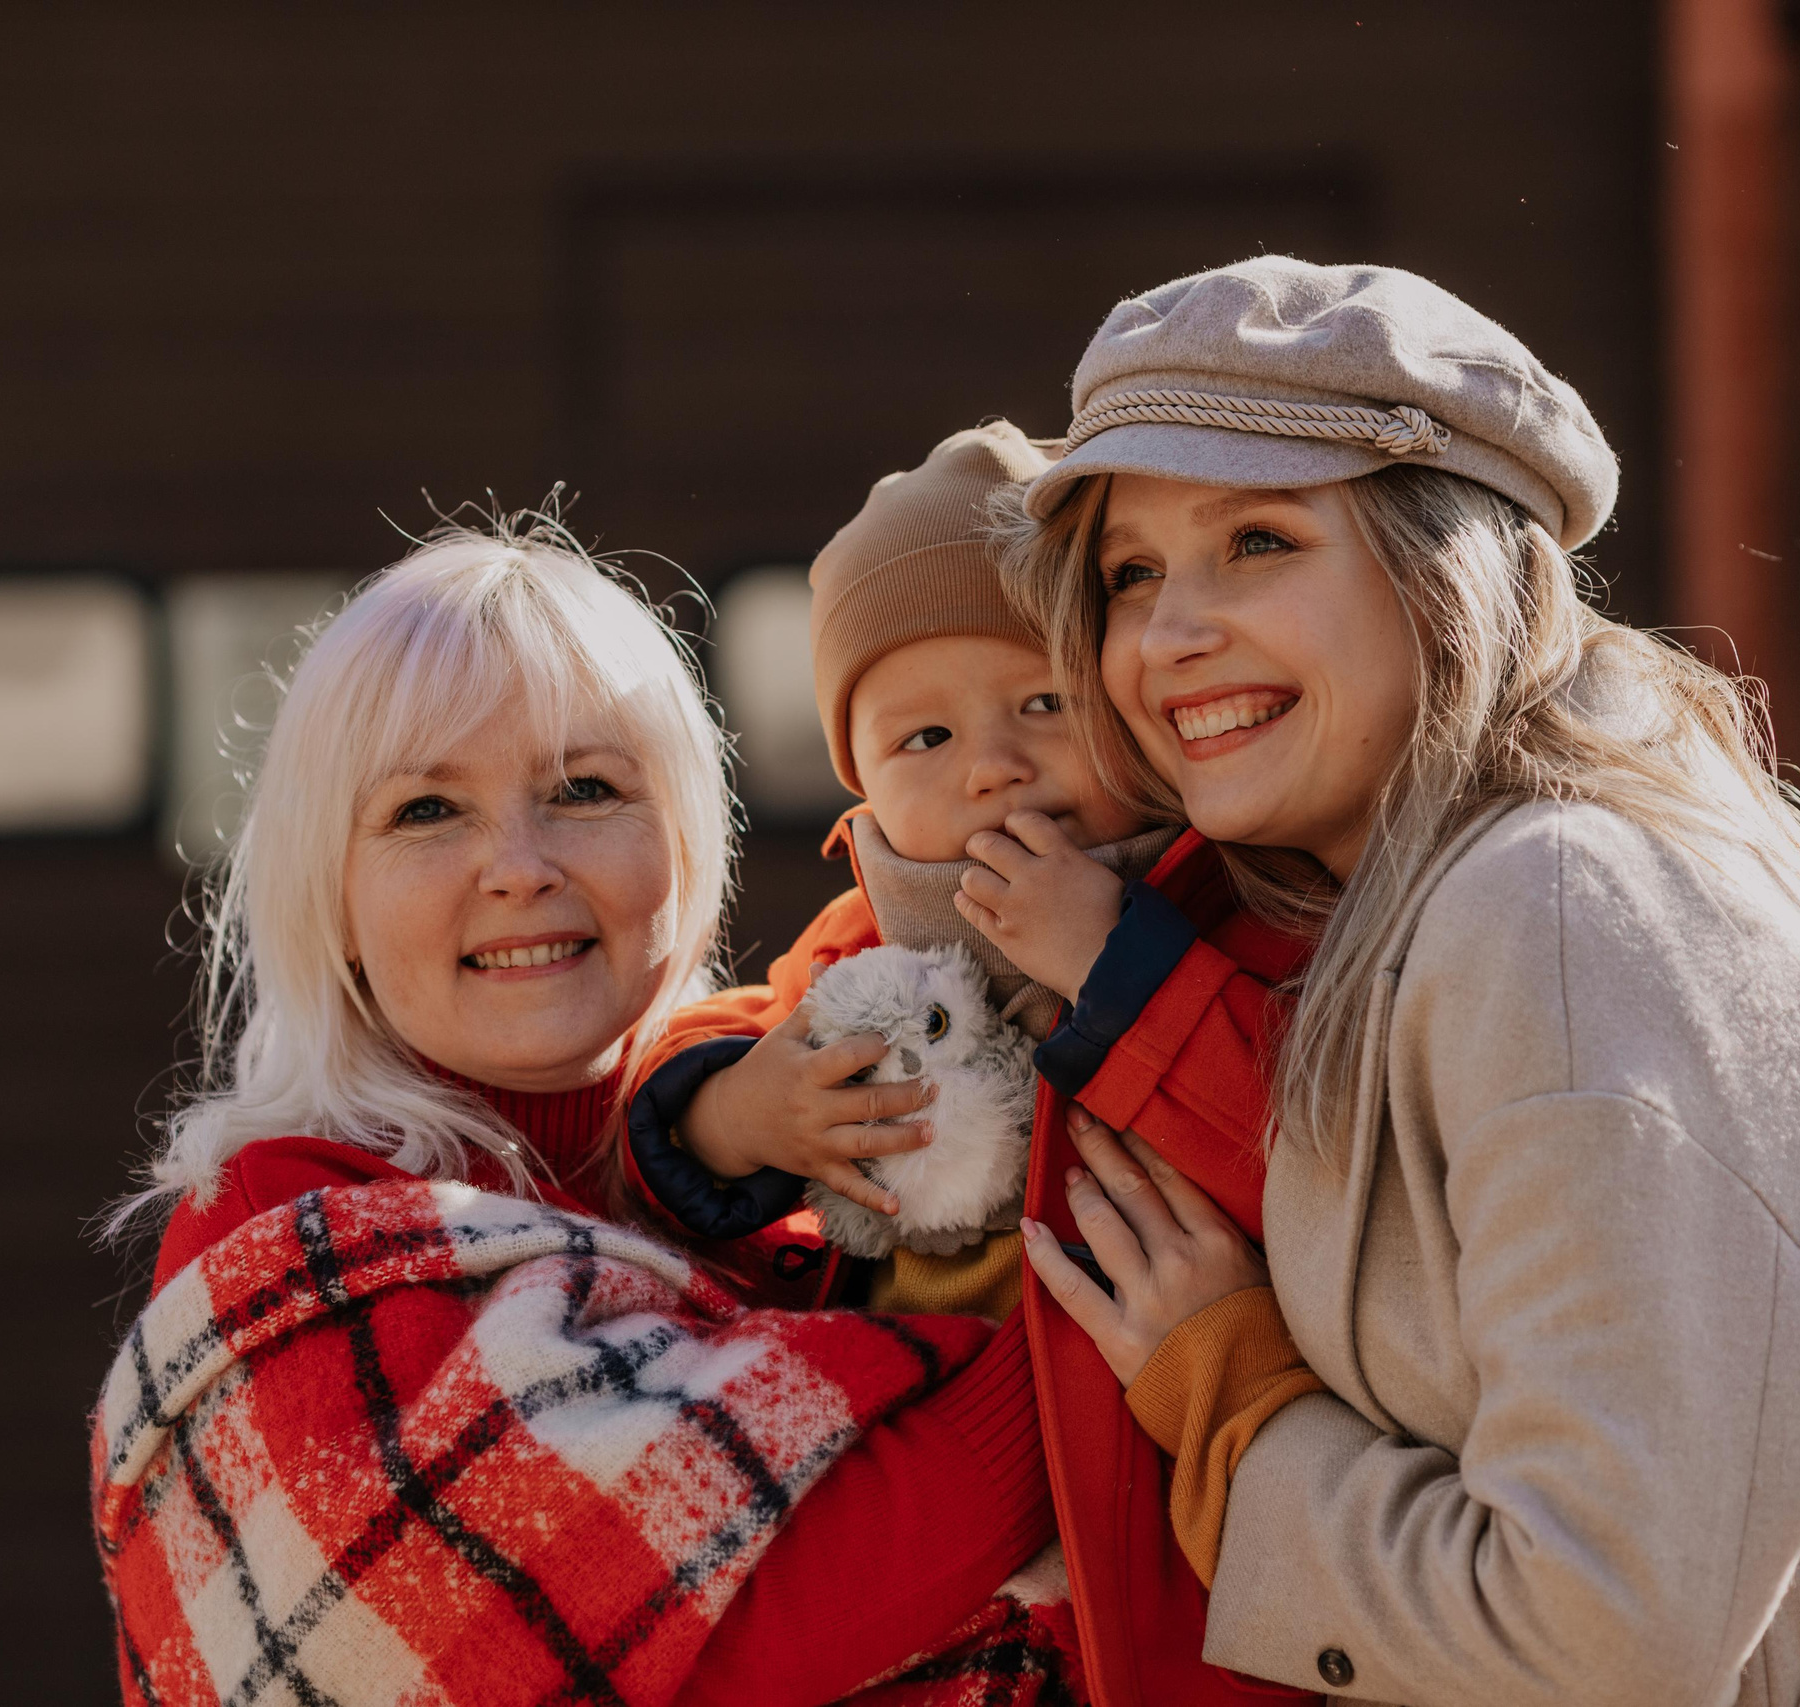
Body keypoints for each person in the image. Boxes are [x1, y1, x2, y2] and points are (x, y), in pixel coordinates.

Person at [997, 255, 1800, 1704]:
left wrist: (1237, 1407)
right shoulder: (1478, 897)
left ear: (1442, 567)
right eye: (1131, 574)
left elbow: (1600, 1627)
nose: (1169, 635)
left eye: (1263, 542)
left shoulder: (1556, 903)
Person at [89, 516, 1070, 1707]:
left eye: (584, 790)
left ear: (685, 842)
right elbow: (744, 1616)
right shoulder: (279, 1220)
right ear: (330, 894)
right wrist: (1097, 1356)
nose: (518, 864)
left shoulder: (802, 1149)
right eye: (425, 812)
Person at [619, 424, 1321, 1707]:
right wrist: (729, 1111)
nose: (990, 764)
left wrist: (1115, 965)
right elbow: (701, 1049)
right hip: (916, 1508)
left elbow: (1303, 1147)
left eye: (1041, 707)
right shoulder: (862, 939)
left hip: (1156, 1513)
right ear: (863, 786)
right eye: (920, 741)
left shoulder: (1225, 903)